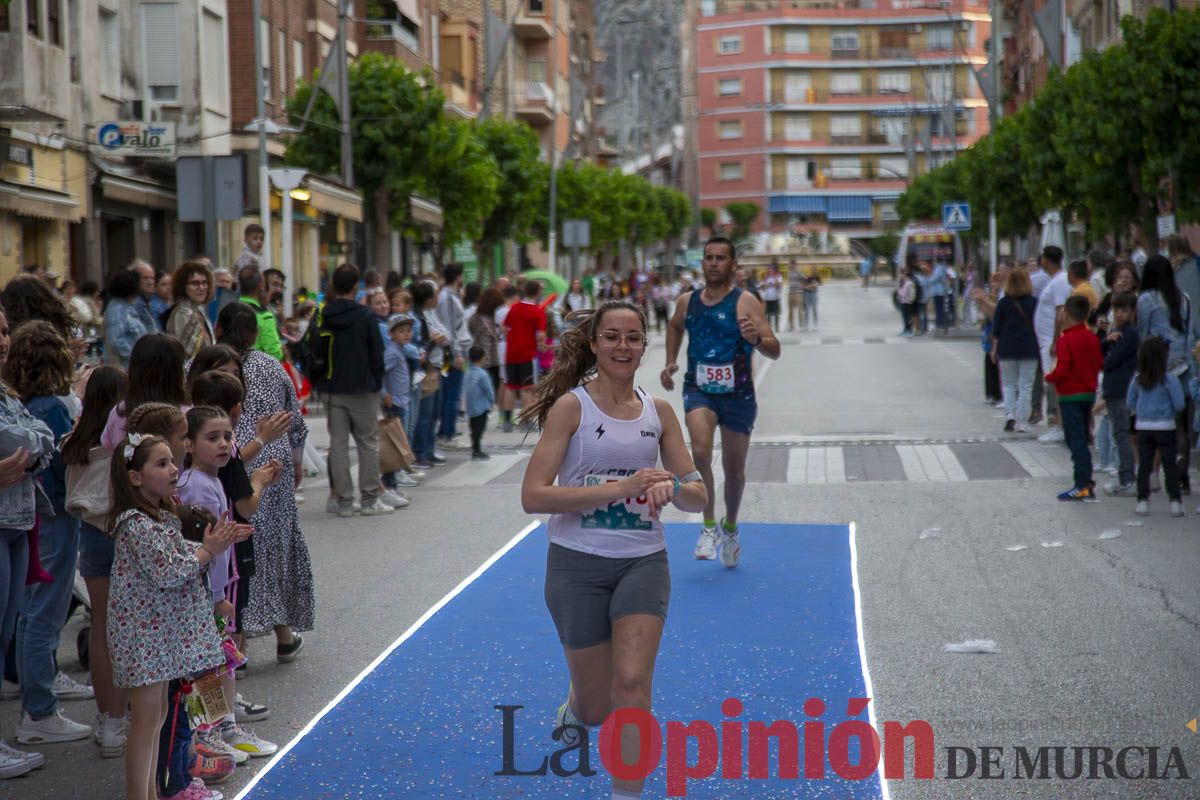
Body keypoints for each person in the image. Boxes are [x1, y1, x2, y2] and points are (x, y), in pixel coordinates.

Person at [519, 300, 706, 800]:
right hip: (575, 565)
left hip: (643, 561)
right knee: (599, 706)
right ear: (595, 344)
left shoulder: (659, 412)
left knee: (632, 687)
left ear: (645, 346)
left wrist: (673, 485)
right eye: (613, 337)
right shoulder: (571, 408)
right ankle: (577, 707)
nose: (623, 347)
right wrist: (620, 489)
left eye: (633, 338)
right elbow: (533, 496)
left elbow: (697, 492)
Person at [105, 432, 246, 800]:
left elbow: (178, 554)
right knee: (147, 720)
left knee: (157, 718)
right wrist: (208, 551)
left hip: (156, 637)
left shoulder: (157, 518)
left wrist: (214, 543)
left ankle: (150, 791)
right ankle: (140, 794)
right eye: (161, 463)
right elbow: (170, 571)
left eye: (172, 461)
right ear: (135, 476)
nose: (172, 470)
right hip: (144, 638)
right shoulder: (135, 523)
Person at [661, 236, 780, 567]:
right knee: (699, 451)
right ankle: (709, 526)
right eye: (708, 258)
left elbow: (774, 347)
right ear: (702, 263)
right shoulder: (687, 301)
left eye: (720, 258)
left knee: (734, 469)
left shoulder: (746, 303)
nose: (713, 263)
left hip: (738, 395)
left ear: (732, 265)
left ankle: (730, 528)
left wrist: (754, 338)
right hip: (698, 389)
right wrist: (671, 360)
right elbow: (674, 326)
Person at [216, 303, 313, 662]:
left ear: (218, 326)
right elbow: (295, 417)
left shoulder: (203, 364)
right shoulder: (272, 366)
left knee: (237, 551)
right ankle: (281, 635)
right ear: (256, 333)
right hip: (270, 460)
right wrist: (298, 459)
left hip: (225, 458)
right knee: (272, 548)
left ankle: (238, 642)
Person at [61, 365, 129, 759]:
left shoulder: (74, 441)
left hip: (90, 535)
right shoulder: (122, 444)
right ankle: (127, 712)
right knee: (129, 629)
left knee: (101, 625)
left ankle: (108, 719)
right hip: (122, 533)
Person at [318, 265, 390, 516]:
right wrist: (376, 380)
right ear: (355, 287)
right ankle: (370, 498)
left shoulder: (324, 314)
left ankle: (344, 501)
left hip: (332, 387)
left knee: (338, 445)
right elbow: (377, 354)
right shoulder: (366, 316)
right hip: (362, 387)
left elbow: (313, 348)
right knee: (368, 443)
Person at [1137, 255, 1196, 495]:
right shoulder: (1185, 299)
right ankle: (1182, 471)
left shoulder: (1147, 299)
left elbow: (1143, 334)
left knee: (1157, 421)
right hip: (1185, 366)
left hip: (1156, 366)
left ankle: (1154, 473)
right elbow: (1190, 333)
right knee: (1182, 423)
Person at [1045, 295, 1104, 501]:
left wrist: (1049, 377)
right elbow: (1098, 362)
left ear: (1066, 314)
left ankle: (1082, 484)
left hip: (1070, 395)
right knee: (1083, 438)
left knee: (1075, 440)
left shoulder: (1066, 339)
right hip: (1088, 394)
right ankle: (1086, 482)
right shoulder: (1092, 337)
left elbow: (1063, 368)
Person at [1127, 337, 1187, 517]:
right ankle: (1175, 502)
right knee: (1169, 465)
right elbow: (1179, 404)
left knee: (1144, 465)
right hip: (1166, 427)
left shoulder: (1138, 380)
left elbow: (1130, 402)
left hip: (1144, 427)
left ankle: (1143, 502)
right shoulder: (1170, 379)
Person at [1100, 293, 1140, 497]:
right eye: (1116, 310)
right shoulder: (1116, 330)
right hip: (1114, 387)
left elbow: (1108, 362)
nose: (1119, 314)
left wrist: (1108, 349)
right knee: (1119, 433)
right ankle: (1125, 477)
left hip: (1120, 388)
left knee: (1121, 434)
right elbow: (1102, 353)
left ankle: (1127, 480)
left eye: (1124, 310)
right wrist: (1107, 341)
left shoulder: (1130, 333)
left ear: (1132, 311)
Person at [991, 268, 1039, 433]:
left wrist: (994, 349)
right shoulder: (1034, 302)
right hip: (1029, 348)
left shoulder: (1003, 302)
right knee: (1026, 386)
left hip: (1007, 348)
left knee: (1009, 384)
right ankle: (1023, 422)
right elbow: (1039, 326)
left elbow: (996, 328)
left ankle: (1010, 414)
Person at [1033, 245, 1070, 441]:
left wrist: (1056, 340)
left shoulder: (1060, 281)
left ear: (1046, 260)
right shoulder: (1055, 281)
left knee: (1056, 383)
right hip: (1047, 340)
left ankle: (1060, 426)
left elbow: (1060, 311)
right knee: (1053, 383)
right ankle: (1059, 425)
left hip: (1052, 342)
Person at [501, 280, 548, 432]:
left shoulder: (514, 308)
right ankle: (525, 421)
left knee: (510, 386)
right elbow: (541, 335)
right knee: (527, 388)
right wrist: (541, 345)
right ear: (538, 293)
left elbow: (504, 327)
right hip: (527, 354)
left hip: (511, 353)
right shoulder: (538, 311)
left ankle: (507, 422)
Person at [436, 264, 472, 450]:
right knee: (452, 395)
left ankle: (446, 431)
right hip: (453, 351)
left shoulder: (450, 296)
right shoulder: (448, 298)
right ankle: (447, 433)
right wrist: (456, 353)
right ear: (458, 277)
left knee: (451, 394)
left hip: (454, 349)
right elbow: (450, 327)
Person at [166, 260, 217, 360]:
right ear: (182, 286)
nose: (201, 287)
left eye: (204, 283)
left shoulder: (199, 310)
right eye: (195, 283)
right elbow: (191, 353)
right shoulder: (183, 313)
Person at [236, 266, 284, 361]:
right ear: (261, 285)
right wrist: (284, 353)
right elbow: (275, 354)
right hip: (256, 369)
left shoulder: (229, 309)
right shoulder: (264, 316)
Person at [464, 345, 495, 461]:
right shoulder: (482, 374)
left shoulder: (467, 373)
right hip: (481, 407)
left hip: (471, 408)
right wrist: (491, 402)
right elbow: (489, 390)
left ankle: (475, 449)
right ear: (482, 358)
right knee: (479, 429)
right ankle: (477, 451)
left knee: (473, 429)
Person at [761, 264, 783, 330]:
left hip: (775, 298)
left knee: (776, 313)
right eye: (768, 269)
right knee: (768, 314)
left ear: (773, 270)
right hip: (768, 298)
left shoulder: (778, 276)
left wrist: (774, 277)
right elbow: (764, 288)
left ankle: (777, 327)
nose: (769, 271)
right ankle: (769, 327)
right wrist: (765, 280)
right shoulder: (766, 278)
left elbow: (779, 286)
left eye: (771, 269)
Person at [801, 264, 822, 331]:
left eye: (815, 269)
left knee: (814, 309)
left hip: (814, 294)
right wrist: (810, 287)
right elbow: (804, 286)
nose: (813, 270)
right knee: (807, 310)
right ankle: (806, 325)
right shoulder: (808, 277)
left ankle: (816, 325)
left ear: (816, 270)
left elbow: (819, 284)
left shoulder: (817, 277)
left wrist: (810, 286)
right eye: (812, 269)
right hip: (807, 294)